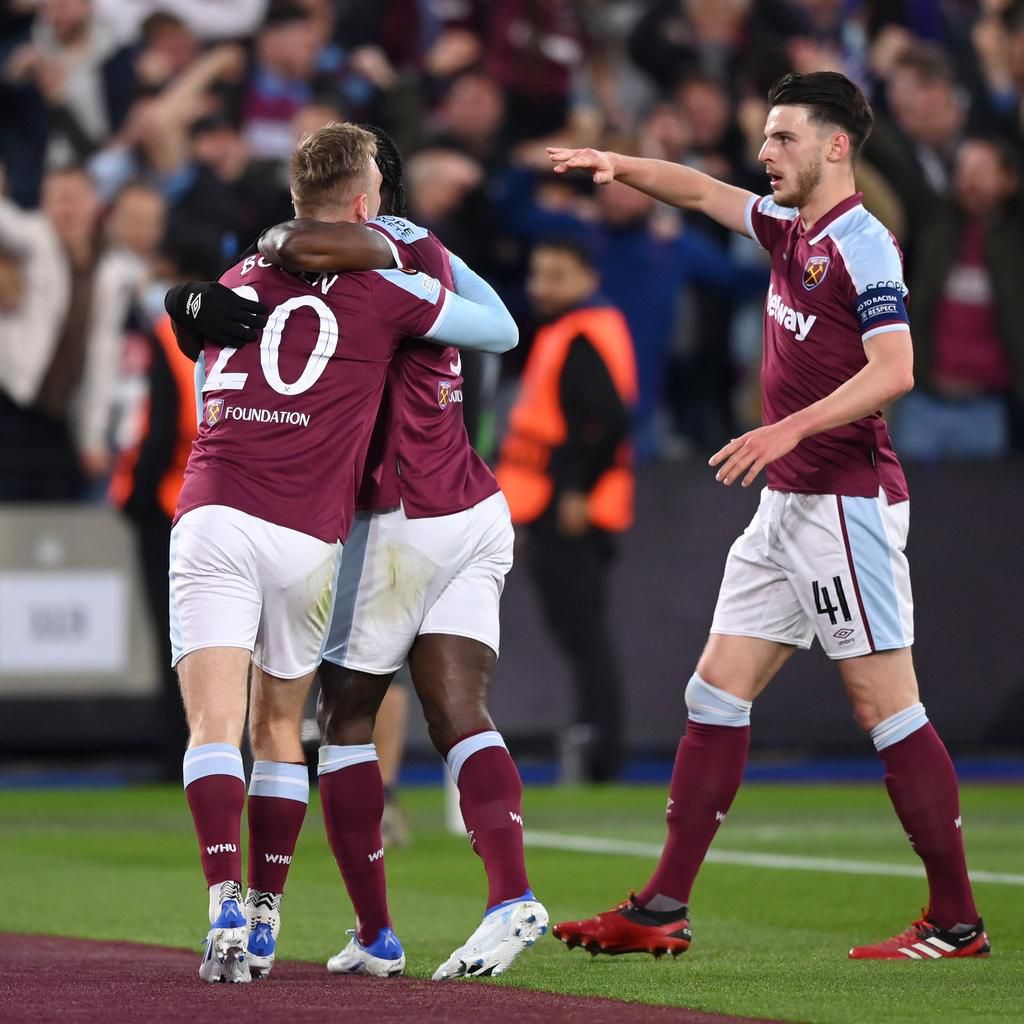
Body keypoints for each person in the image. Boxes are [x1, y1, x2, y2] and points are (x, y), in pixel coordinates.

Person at [546, 70, 988, 961]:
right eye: (764, 137)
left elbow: (895, 369)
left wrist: (785, 427)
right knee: (714, 690)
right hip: (788, 507)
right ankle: (662, 906)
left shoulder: (864, 243)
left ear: (835, 145)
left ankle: (954, 921)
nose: (764, 153)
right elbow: (705, 191)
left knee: (885, 707)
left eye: (782, 138)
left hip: (843, 504)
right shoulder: (791, 227)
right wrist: (619, 163)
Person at [177, 125, 547, 983]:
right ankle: (509, 897)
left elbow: (281, 260)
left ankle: (377, 933)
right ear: (365, 195)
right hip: (476, 506)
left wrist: (200, 296)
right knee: (460, 710)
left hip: (395, 520)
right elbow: (501, 327)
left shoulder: (317, 271)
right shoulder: (421, 263)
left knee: (340, 722)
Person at [495, 239, 637, 782]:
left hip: (568, 509)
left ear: (586, 276)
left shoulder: (582, 335)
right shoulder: (571, 331)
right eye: (537, 273)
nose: (541, 286)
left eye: (556, 274)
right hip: (551, 503)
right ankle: (596, 746)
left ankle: (601, 751)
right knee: (580, 634)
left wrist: (576, 490)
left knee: (585, 634)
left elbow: (607, 420)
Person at [893, 136, 1023, 460]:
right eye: (963, 170)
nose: (969, 180)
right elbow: (894, 163)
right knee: (909, 505)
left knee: (982, 507)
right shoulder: (935, 226)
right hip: (922, 400)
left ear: (1009, 180)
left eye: (980, 170)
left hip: (988, 406)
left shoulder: (1015, 242)